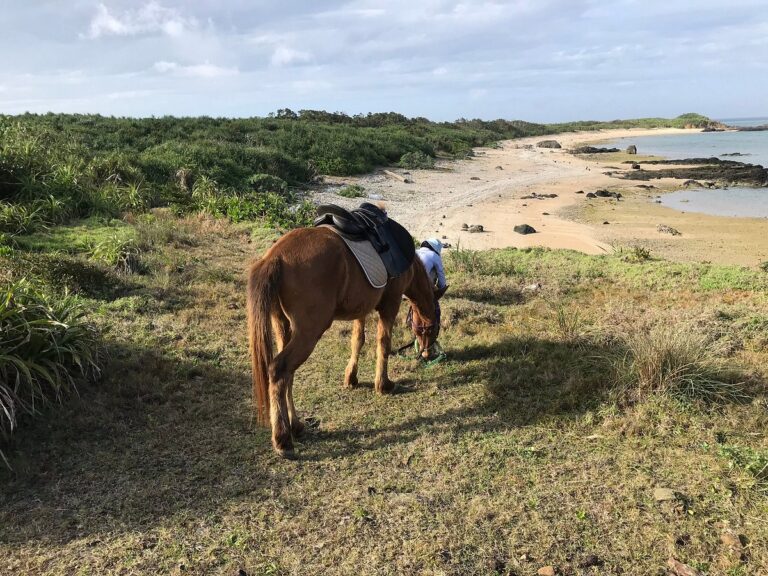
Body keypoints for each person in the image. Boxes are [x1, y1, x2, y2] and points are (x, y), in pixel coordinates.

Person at [412, 238, 448, 358]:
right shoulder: (434, 255)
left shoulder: (414, 252)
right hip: (425, 291)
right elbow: (441, 278)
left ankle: (416, 334)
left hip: (407, 290)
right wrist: (440, 290)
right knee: (435, 311)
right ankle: (432, 336)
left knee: (414, 310)